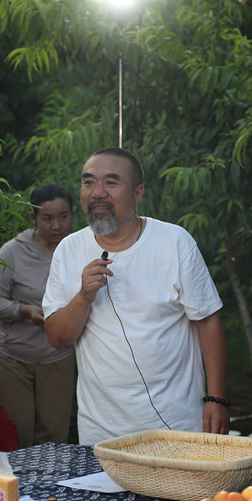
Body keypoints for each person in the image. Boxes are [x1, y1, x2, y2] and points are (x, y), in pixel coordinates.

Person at [42, 147, 229, 445]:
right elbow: (57, 337)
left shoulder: (174, 241)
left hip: (177, 426)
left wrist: (216, 398)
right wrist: (83, 297)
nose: (97, 192)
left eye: (111, 183)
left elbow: (207, 322)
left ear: (138, 193)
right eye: (88, 182)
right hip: (101, 433)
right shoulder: (68, 249)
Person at [0, 183, 76, 448]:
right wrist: (24, 311)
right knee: (14, 432)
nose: (57, 225)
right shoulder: (13, 251)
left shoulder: (78, 248)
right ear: (33, 219)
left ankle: (50, 489)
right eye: (47, 218)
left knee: (54, 435)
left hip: (57, 354)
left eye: (64, 216)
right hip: (11, 357)